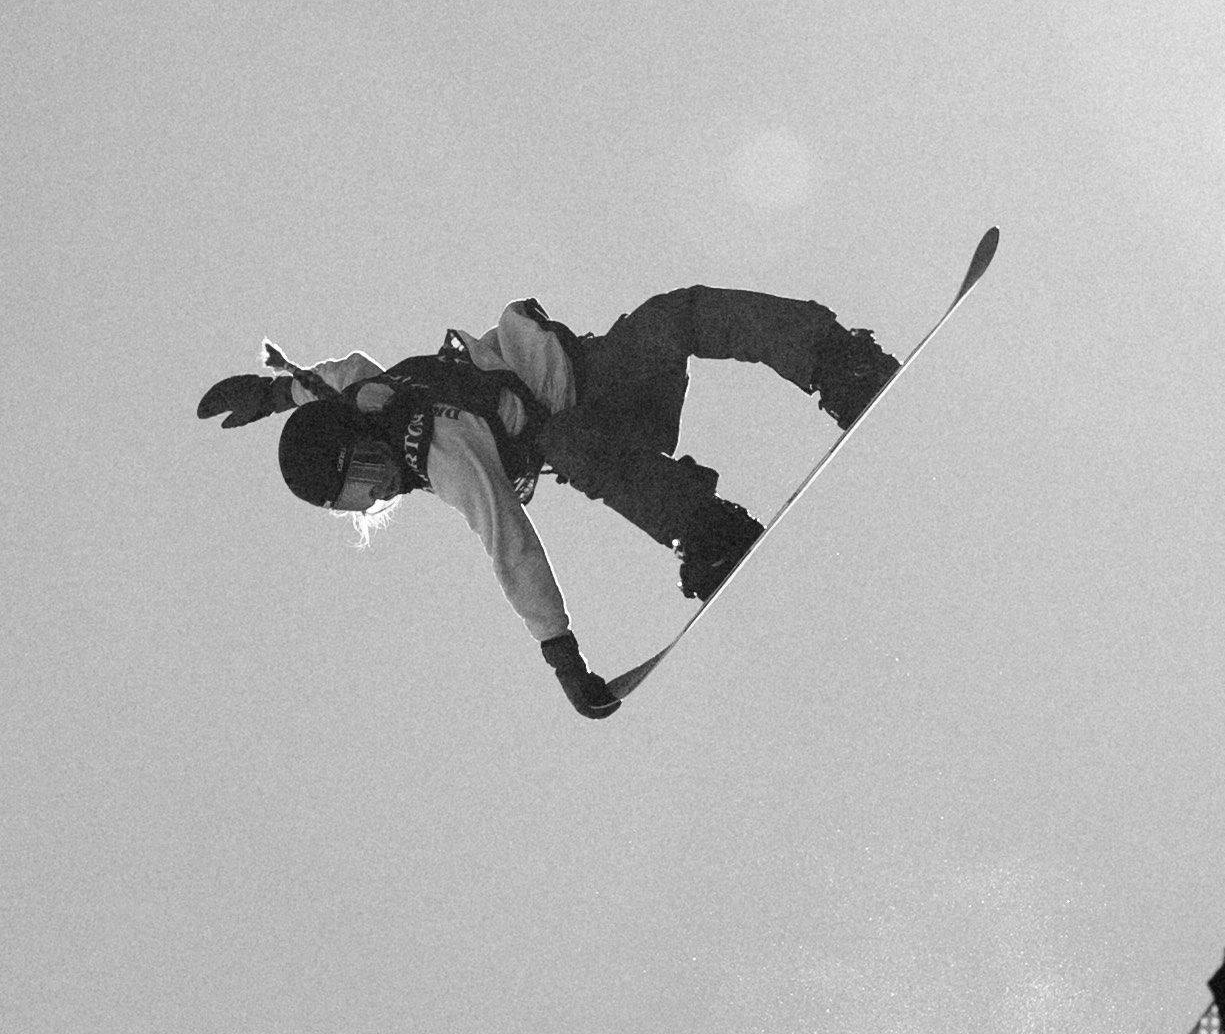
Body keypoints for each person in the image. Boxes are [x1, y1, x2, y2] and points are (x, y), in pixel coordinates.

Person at [208, 288, 897, 716]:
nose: (379, 491)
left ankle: (837, 361)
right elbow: (510, 544)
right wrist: (561, 653)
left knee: (674, 317)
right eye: (357, 501)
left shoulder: (400, 416)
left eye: (362, 475)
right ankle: (706, 529)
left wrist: (273, 394)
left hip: (598, 375)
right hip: (590, 430)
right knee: (568, 446)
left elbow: (334, 381)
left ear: (360, 435)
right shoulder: (437, 457)